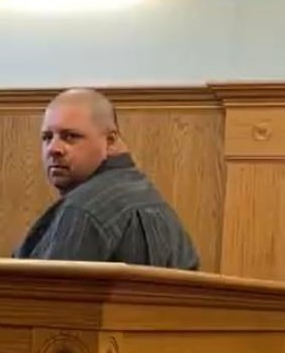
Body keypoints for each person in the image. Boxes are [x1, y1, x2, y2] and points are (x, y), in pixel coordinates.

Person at [12, 88, 199, 270]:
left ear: (110, 141)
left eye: (70, 137)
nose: (53, 148)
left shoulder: (83, 210)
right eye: (47, 137)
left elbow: (44, 295)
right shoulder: (154, 201)